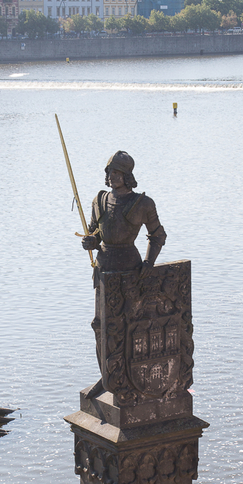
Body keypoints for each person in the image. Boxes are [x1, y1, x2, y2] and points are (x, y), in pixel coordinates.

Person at [81, 152, 166, 381]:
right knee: (100, 325)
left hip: (130, 268)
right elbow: (94, 232)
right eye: (109, 172)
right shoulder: (99, 200)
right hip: (104, 268)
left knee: (129, 324)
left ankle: (129, 376)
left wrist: (149, 262)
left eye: (117, 172)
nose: (111, 176)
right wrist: (91, 241)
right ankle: (106, 377)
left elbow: (158, 235)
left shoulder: (143, 204)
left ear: (127, 175)